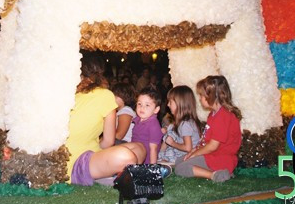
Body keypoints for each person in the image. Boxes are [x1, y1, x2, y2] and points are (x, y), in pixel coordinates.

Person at [65, 54, 146, 186]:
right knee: (127, 155)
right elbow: (108, 141)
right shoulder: (105, 95)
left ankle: (111, 173)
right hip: (75, 163)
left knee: (139, 148)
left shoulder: (67, 94)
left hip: (90, 155)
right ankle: (114, 173)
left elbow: (108, 142)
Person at [175, 75, 242, 183]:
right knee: (179, 161)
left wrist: (195, 154)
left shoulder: (223, 116)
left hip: (220, 159)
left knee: (180, 168)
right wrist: (194, 151)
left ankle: (214, 175)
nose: (200, 98)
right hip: (212, 155)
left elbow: (212, 146)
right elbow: (205, 141)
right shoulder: (213, 115)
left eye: (201, 95)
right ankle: (221, 172)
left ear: (211, 96)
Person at [158, 86, 202, 164]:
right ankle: (161, 155)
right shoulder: (187, 121)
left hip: (186, 155)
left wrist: (172, 143)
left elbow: (188, 148)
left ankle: (162, 158)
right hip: (184, 153)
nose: (168, 105)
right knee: (170, 130)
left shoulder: (185, 124)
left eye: (170, 102)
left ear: (180, 104)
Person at [131, 87, 163, 164]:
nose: (142, 107)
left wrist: (151, 167)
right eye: (139, 104)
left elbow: (153, 149)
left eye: (147, 105)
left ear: (156, 109)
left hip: (145, 162)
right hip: (134, 156)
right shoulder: (137, 120)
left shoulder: (153, 125)